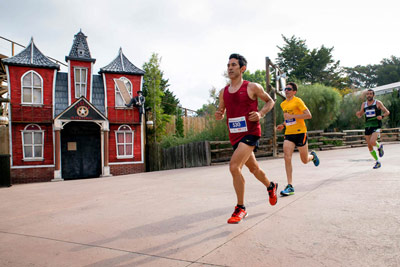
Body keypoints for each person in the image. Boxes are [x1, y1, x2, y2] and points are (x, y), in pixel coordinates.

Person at [215, 53, 278, 224]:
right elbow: (222, 111)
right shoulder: (224, 92)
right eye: (228, 65)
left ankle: (240, 208)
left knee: (234, 166)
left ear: (242, 68)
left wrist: (260, 113)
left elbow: (270, 101)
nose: (230, 68)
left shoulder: (252, 87)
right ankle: (271, 186)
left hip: (250, 133)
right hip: (235, 136)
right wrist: (220, 114)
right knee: (255, 169)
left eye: (234, 65)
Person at [276, 82, 319, 197]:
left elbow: (308, 115)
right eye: (285, 89)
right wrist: (283, 125)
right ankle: (290, 185)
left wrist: (293, 116)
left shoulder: (298, 101)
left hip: (300, 133)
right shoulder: (283, 104)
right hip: (289, 133)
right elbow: (288, 118)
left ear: (294, 91)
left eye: (289, 89)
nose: (286, 91)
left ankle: (313, 156)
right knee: (287, 157)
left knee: (304, 160)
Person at [356, 89, 390, 169]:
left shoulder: (378, 103)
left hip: (376, 125)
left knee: (372, 142)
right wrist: (358, 114)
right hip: (368, 125)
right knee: (369, 146)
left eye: (370, 94)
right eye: (367, 94)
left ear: (373, 95)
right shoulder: (364, 104)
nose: (369, 95)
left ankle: (379, 146)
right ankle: (378, 162)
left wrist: (382, 116)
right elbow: (360, 114)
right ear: (366, 96)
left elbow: (387, 112)